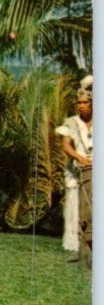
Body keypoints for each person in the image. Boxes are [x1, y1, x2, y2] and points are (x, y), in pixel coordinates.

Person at [56, 75, 93, 267]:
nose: (81, 106)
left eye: (84, 103)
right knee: (75, 210)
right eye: (78, 103)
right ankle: (79, 249)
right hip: (77, 171)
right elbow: (66, 145)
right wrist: (80, 158)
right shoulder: (71, 122)